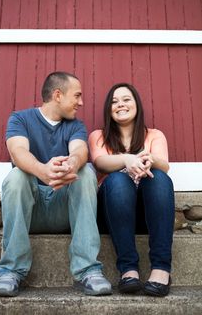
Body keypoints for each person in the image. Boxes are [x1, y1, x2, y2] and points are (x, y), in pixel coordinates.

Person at [0, 71, 112, 297]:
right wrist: (43, 171)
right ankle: (10, 271)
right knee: (17, 176)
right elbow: (18, 152)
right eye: (77, 96)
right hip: (31, 211)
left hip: (63, 210)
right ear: (58, 95)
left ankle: (88, 270)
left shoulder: (75, 125)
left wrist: (71, 165)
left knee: (86, 172)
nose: (81, 102)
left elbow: (80, 151)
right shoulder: (20, 119)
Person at [88, 83, 175, 297]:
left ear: (137, 104)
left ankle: (161, 269)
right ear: (109, 109)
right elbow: (100, 163)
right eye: (114, 102)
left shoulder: (154, 135)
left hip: (147, 215)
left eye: (126, 99)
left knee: (160, 178)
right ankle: (128, 269)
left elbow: (164, 165)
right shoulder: (98, 136)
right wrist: (127, 159)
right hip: (113, 214)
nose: (120, 105)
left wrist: (150, 160)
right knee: (117, 179)